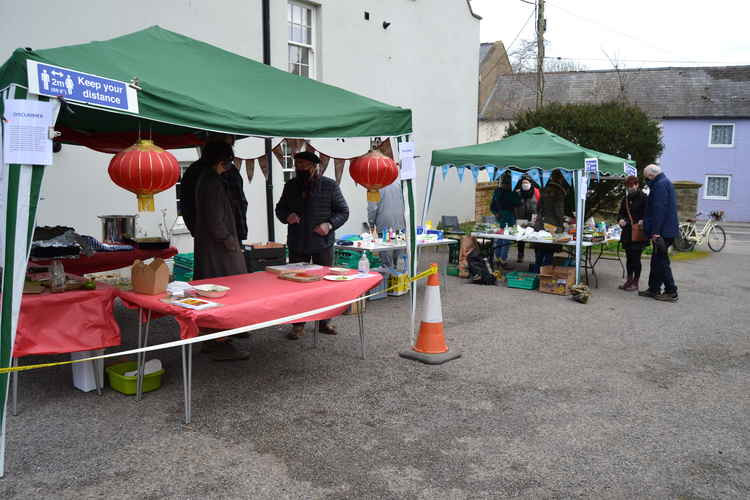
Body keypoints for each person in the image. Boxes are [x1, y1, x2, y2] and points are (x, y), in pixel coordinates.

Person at [276, 151, 350, 339]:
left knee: (324, 284)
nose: (299, 167)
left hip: (322, 243)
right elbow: (280, 208)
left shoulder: (330, 186)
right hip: (297, 243)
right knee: (296, 286)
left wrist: (329, 224)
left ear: (314, 166)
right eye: (297, 164)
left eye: (303, 164)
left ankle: (325, 321)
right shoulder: (290, 186)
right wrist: (287, 216)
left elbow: (343, 211)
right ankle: (298, 325)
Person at [193, 141, 249, 360]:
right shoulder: (212, 181)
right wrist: (229, 241)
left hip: (210, 246)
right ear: (221, 161)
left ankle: (212, 338)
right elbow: (216, 219)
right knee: (223, 292)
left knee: (211, 291)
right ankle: (220, 341)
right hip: (219, 249)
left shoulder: (204, 178)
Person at [181, 134, 248, 246]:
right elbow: (187, 206)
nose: (229, 149)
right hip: (210, 237)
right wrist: (199, 232)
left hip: (234, 233)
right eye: (224, 145)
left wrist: (239, 230)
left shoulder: (232, 170)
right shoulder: (197, 172)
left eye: (230, 145)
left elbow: (240, 200)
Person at [639, 164, 680, 302]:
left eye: (646, 178)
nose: (646, 180)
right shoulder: (665, 182)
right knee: (656, 261)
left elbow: (659, 210)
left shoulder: (660, 185)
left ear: (651, 175)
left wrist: (656, 232)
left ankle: (671, 291)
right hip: (666, 230)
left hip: (662, 232)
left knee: (661, 261)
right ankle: (654, 288)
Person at [617, 175, 648, 291]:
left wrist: (643, 220)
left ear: (637, 185)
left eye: (632, 185)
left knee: (636, 258)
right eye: (628, 186)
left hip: (639, 233)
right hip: (627, 233)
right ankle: (629, 280)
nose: (630, 188)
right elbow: (620, 213)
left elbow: (649, 213)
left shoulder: (644, 197)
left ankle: (636, 282)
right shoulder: (625, 199)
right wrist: (620, 220)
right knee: (629, 258)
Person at [533, 174, 568, 270]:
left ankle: (536, 271)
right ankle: (545, 274)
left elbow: (538, 207)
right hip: (553, 225)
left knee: (540, 249)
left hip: (541, 223)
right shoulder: (559, 192)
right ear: (560, 179)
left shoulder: (544, 190)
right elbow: (558, 211)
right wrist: (563, 222)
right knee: (549, 249)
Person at [368, 181, 406, 269]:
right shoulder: (399, 185)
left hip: (384, 225)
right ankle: (399, 279)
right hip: (400, 224)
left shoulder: (374, 187)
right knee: (400, 260)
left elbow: (372, 208)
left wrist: (371, 224)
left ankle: (388, 280)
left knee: (386, 262)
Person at [489, 175, 520, 269]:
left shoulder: (497, 191)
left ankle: (498, 259)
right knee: (505, 239)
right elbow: (518, 203)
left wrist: (495, 213)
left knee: (498, 239)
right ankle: (502, 261)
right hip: (508, 218)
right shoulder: (512, 192)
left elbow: (492, 206)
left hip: (499, 217)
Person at [514, 176, 538, 263]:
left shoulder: (536, 192)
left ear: (531, 183)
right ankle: (520, 255)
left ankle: (537, 258)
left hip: (533, 217)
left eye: (526, 182)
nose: (525, 184)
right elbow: (514, 205)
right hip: (520, 217)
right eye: (523, 182)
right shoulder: (518, 193)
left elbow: (539, 204)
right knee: (521, 238)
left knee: (535, 237)